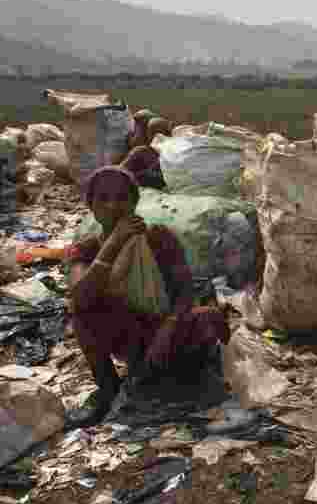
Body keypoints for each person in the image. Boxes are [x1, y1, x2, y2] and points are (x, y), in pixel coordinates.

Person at [66, 167, 230, 426]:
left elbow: (185, 292)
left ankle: (171, 378)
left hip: (166, 329)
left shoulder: (157, 237)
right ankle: (109, 389)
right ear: (91, 206)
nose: (113, 206)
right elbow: (80, 296)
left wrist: (167, 328)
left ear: (134, 202)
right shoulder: (86, 249)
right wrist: (112, 244)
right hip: (127, 333)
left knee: (208, 318)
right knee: (82, 312)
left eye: (122, 198)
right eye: (104, 199)